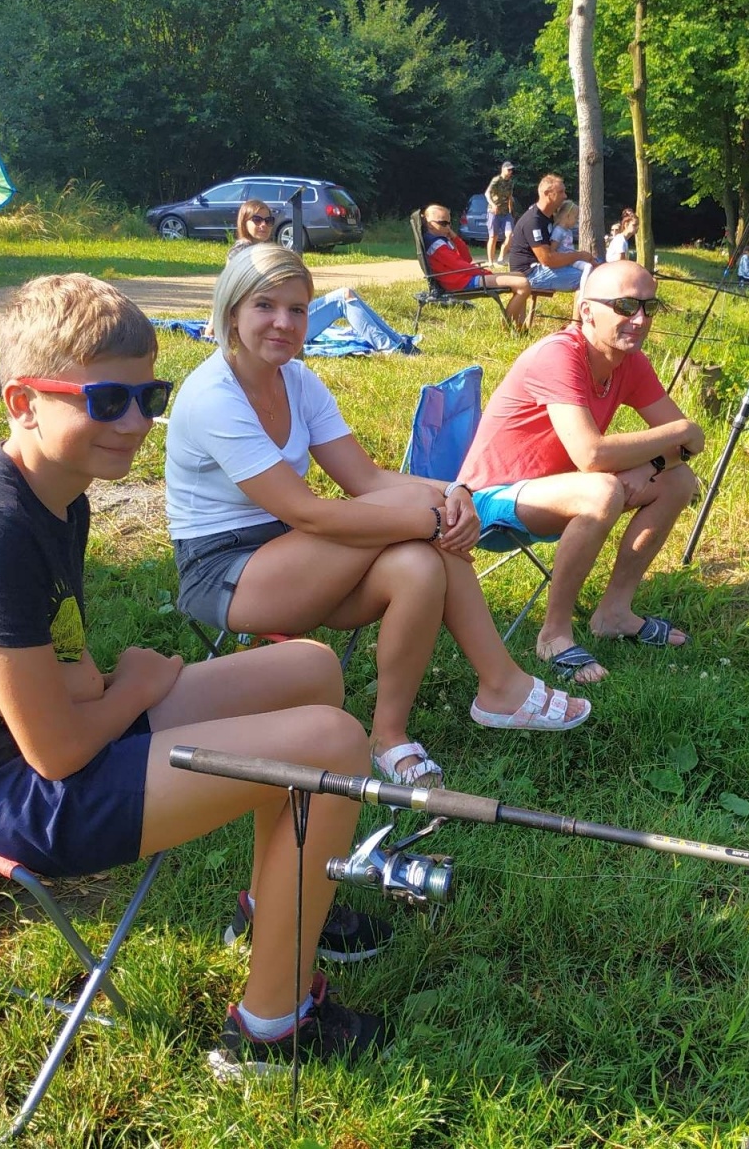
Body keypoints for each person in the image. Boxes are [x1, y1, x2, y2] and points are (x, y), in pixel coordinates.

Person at [0, 273, 388, 1077]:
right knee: (331, 744)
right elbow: (60, 752)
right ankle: (273, 1029)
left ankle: (276, 908)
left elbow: (64, 667)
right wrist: (134, 691)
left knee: (308, 668)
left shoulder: (59, 496)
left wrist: (113, 687)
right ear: (22, 402)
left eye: (150, 395)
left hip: (30, 743)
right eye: (107, 401)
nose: (138, 422)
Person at [167, 244, 591, 789]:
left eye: (297, 309)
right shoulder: (213, 395)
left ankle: (389, 735)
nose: (283, 322)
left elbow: (366, 480)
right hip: (224, 571)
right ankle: (502, 683)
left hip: (292, 552)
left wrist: (455, 490)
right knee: (423, 526)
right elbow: (309, 512)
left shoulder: (298, 382)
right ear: (232, 312)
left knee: (418, 566)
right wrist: (432, 517)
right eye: (265, 306)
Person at [459, 260, 702, 685]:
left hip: (560, 491)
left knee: (679, 481)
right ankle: (553, 634)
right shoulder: (559, 354)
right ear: (587, 311)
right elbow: (593, 454)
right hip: (488, 502)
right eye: (625, 305)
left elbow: (689, 446)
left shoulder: (630, 361)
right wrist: (677, 434)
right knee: (602, 490)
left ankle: (614, 613)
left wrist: (658, 461)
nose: (640, 319)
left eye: (649, 306)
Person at [231, 198, 413, 353]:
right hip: (276, 323)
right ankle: (388, 347)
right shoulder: (242, 252)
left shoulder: (265, 250)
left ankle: (397, 342)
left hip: (285, 314)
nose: (264, 225)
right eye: (257, 219)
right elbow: (231, 291)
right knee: (344, 297)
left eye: (269, 220)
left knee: (347, 294)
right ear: (244, 221)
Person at [423, 203, 533, 329]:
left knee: (520, 275)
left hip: (463, 278)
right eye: (443, 223)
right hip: (460, 282)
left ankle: (520, 327)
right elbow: (459, 265)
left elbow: (466, 258)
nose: (448, 227)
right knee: (522, 284)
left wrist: (454, 237)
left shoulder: (442, 239)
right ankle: (507, 327)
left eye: (449, 223)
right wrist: (484, 272)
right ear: (429, 224)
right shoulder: (436, 245)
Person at [509, 174, 598, 294]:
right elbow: (547, 259)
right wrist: (579, 255)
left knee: (598, 266)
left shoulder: (548, 216)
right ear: (547, 194)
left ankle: (582, 312)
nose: (565, 196)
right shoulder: (533, 221)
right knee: (593, 278)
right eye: (561, 192)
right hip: (528, 274)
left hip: (542, 268)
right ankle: (585, 312)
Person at [485, 160, 517, 266]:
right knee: (493, 237)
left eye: (511, 170)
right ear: (503, 169)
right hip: (493, 212)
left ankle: (501, 257)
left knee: (510, 235)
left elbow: (509, 197)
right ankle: (490, 261)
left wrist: (511, 210)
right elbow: (487, 194)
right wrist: (493, 205)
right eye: (508, 170)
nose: (510, 172)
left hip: (505, 213)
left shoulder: (511, 183)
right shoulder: (496, 180)